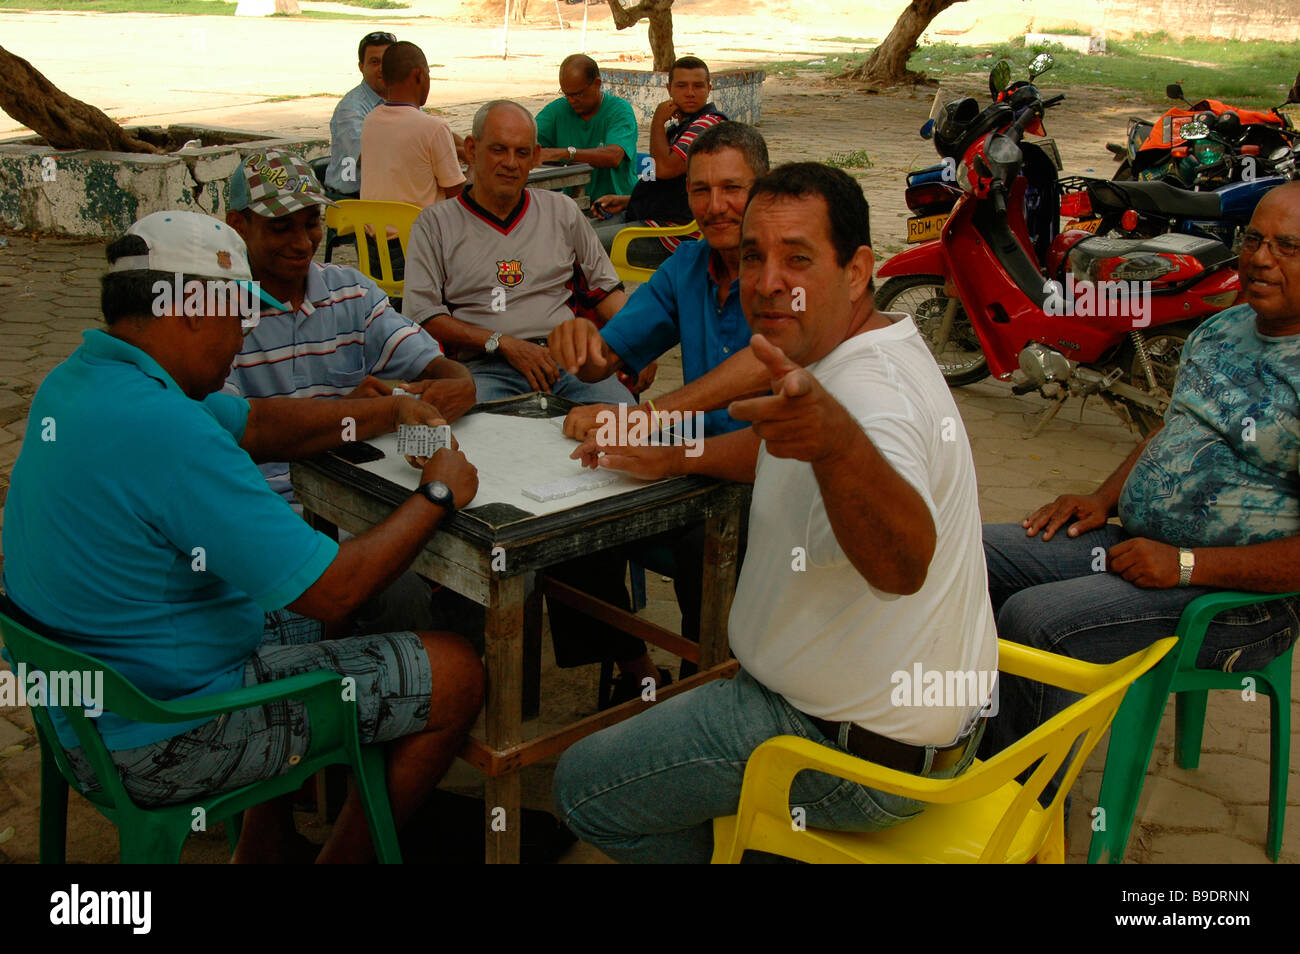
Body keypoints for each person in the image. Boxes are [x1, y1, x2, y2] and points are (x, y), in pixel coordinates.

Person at [1, 211, 485, 864]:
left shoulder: (79, 382)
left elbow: (255, 422)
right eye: (237, 317)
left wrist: (388, 410)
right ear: (191, 309)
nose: (244, 337)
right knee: (455, 671)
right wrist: (439, 492)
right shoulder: (168, 430)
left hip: (87, 709)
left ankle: (263, 843)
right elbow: (334, 590)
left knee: (321, 607)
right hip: (161, 736)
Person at [551, 163, 997, 862]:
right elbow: (779, 451)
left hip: (841, 751)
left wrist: (840, 443)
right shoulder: (866, 344)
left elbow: (902, 561)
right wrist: (678, 455)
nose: (765, 283)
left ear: (856, 272)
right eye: (753, 256)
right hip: (905, 726)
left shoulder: (868, 398)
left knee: (582, 785)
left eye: (797, 259)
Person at [981, 182, 1300, 772]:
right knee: (973, 557)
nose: (1259, 258)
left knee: (1034, 620)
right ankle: (961, 747)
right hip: (1140, 546)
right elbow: (1171, 431)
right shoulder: (1220, 330)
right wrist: (1103, 498)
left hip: (1235, 602)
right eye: (1253, 239)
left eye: (1288, 247)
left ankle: (1019, 815)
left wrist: (1186, 566)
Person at [544, 121, 770, 694]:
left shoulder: (785, 276)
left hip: (768, 475)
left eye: (732, 189)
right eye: (700, 190)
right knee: (570, 518)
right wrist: (581, 344)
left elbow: (768, 394)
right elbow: (608, 357)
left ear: (765, 190)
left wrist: (641, 419)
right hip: (692, 463)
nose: (715, 206)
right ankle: (637, 674)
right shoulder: (686, 268)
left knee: (706, 543)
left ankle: (708, 684)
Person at [224, 149, 476, 508]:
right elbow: (248, 430)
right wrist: (370, 413)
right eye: (281, 228)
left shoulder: (350, 292)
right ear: (237, 226)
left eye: (311, 223)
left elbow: (430, 363)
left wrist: (460, 382)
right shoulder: (217, 314)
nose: (302, 242)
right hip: (261, 505)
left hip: (351, 491)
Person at [403, 100, 632, 406]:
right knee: (473, 438)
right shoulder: (434, 224)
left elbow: (604, 292)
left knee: (626, 425)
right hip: (483, 366)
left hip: (566, 361)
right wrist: (501, 343)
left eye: (522, 152)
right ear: (471, 149)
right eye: (498, 149)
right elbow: (424, 315)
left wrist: (635, 342)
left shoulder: (561, 210)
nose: (510, 163)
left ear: (535, 156)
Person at [590, 56, 727, 270]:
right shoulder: (682, 127)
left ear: (709, 89)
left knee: (580, 245)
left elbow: (663, 169)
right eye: (682, 86)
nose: (690, 93)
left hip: (673, 235)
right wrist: (628, 200)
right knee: (573, 232)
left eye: (698, 86)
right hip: (649, 217)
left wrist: (657, 121)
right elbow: (669, 186)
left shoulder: (708, 125)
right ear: (669, 89)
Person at [359, 40, 467, 280]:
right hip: (417, 250)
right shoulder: (434, 127)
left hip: (374, 251)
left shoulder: (370, 121)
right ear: (419, 76)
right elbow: (457, 195)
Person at [536, 54, 639, 205]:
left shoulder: (620, 111)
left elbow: (614, 156)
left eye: (577, 94)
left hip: (617, 206)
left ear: (597, 84)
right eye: (567, 94)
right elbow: (525, 137)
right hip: (574, 205)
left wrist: (564, 153)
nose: (571, 100)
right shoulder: (558, 110)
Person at [324, 31, 395, 198]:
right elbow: (369, 158)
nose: (382, 69)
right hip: (352, 199)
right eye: (375, 62)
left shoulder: (399, 97)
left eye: (388, 62)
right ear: (361, 67)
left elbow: (428, 130)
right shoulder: (350, 109)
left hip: (384, 192)